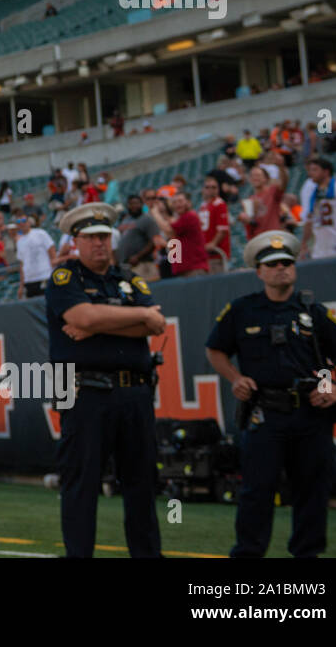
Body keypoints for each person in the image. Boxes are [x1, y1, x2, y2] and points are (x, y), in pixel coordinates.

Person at [205, 231, 336, 557]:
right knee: (256, 492)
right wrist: (235, 378)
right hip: (265, 413)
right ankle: (248, 555)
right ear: (259, 271)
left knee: (313, 492)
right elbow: (215, 350)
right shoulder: (242, 310)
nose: (282, 268)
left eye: (287, 263)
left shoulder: (313, 312)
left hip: (311, 413)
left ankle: (307, 555)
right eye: (273, 264)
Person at [46, 204, 168, 558]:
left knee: (142, 487)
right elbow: (82, 315)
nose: (100, 243)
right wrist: (136, 316)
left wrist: (102, 323)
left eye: (104, 236)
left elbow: (155, 323)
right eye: (91, 238)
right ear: (76, 241)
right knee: (81, 487)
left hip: (135, 393)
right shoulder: (64, 278)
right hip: (86, 395)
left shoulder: (130, 279)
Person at [299, 156, 336, 258]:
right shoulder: (312, 194)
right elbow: (309, 220)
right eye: (310, 170)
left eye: (315, 170)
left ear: (326, 172)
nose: (310, 173)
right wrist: (304, 242)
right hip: (320, 247)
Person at [150, 191, 209, 276]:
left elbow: (169, 231)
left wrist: (155, 213)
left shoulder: (189, 216)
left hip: (194, 268)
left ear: (188, 202)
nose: (177, 204)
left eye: (180, 201)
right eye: (174, 202)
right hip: (185, 268)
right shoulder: (182, 218)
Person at [198, 175, 232, 273]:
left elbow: (223, 229)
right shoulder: (203, 205)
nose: (211, 190)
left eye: (214, 187)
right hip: (206, 254)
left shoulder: (220, 204)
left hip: (216, 253)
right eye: (207, 187)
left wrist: (213, 243)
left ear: (218, 189)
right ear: (203, 189)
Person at [15, 215, 55, 297]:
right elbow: (22, 264)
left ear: (29, 222)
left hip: (44, 276)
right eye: (18, 222)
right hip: (29, 280)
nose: (22, 224)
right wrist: (21, 286)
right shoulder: (19, 242)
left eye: (23, 221)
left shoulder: (40, 233)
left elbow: (51, 249)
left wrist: (53, 268)